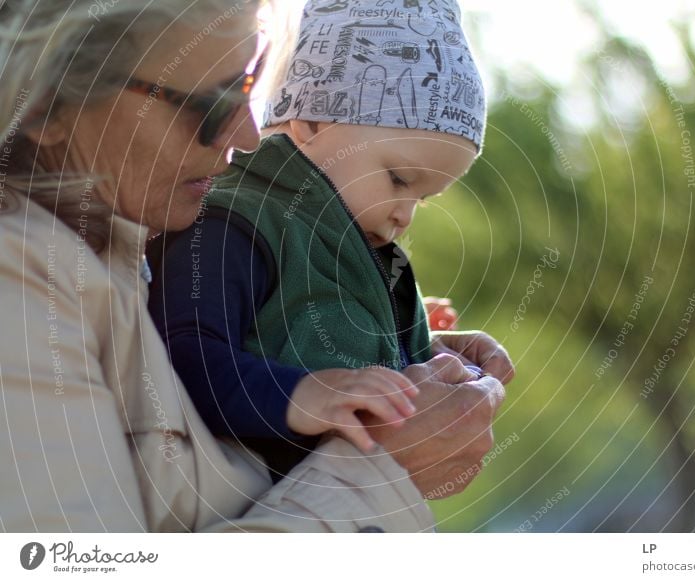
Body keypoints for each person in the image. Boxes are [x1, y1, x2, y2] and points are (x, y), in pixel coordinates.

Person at [0, 0, 509, 533]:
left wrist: (407, 346)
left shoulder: (119, 259)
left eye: (248, 87)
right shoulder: (23, 286)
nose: (247, 135)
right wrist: (381, 473)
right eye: (210, 104)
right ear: (51, 103)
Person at [148, 0, 510, 481]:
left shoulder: (352, 248)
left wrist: (435, 361)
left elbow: (293, 338)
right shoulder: (235, 225)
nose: (405, 214)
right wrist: (303, 395)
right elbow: (184, 352)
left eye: (424, 200)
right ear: (314, 121)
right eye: (399, 180)